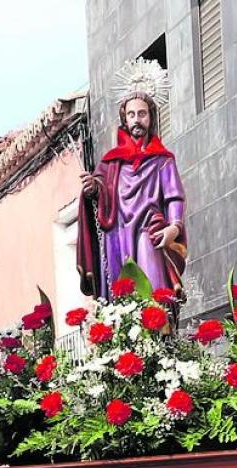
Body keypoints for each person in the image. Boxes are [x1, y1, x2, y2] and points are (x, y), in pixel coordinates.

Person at [75, 59, 186, 300]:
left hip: (149, 230)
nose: (137, 120)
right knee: (122, 295)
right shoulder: (111, 162)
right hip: (118, 234)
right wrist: (93, 188)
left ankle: (160, 329)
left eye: (142, 114)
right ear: (125, 119)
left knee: (154, 291)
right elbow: (100, 189)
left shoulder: (162, 160)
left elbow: (174, 196)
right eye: (132, 114)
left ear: (151, 118)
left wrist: (174, 227)